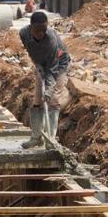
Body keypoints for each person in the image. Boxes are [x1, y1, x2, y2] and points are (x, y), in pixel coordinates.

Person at [19, 11, 70, 148]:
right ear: (31, 28)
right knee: (37, 101)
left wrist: (48, 90)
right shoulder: (23, 34)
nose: (41, 33)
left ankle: (50, 140)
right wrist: (38, 65)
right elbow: (31, 51)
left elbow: (53, 71)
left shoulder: (51, 41)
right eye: (38, 30)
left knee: (52, 100)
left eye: (44, 29)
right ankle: (36, 138)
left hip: (58, 64)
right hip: (42, 64)